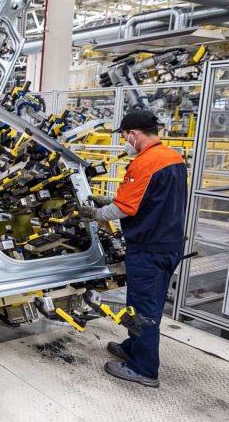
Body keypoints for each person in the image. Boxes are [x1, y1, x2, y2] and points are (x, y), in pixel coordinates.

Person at [79, 109, 187, 388]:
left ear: (135, 134)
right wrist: (107, 200)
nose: (125, 141)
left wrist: (93, 214)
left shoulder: (145, 162)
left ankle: (144, 369)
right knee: (142, 302)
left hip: (150, 248)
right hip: (168, 242)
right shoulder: (172, 157)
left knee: (143, 308)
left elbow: (124, 209)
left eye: (125, 136)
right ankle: (133, 348)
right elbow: (149, 198)